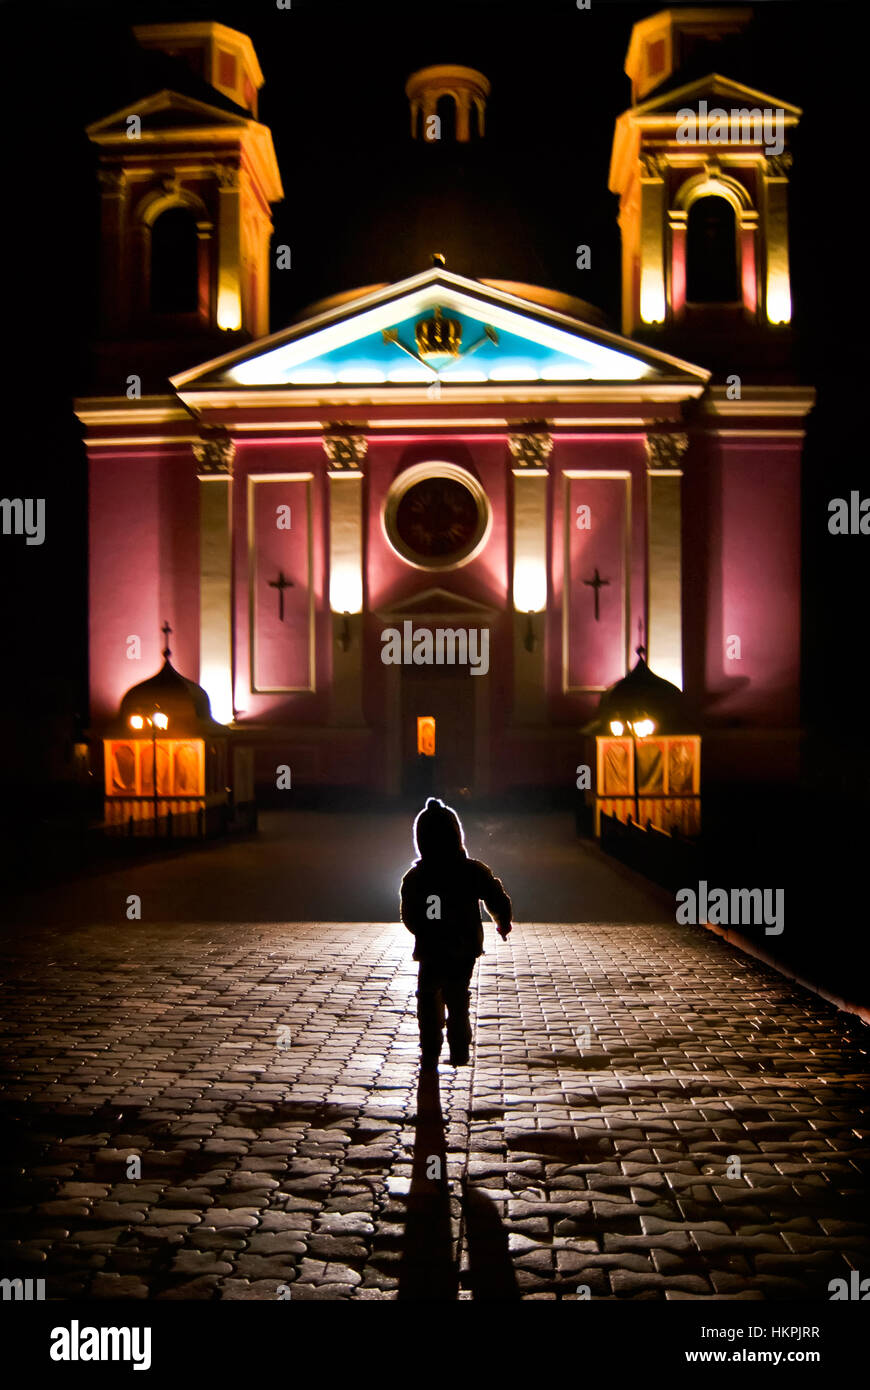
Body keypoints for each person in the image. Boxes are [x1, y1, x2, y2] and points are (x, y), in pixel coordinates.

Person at [400, 797, 513, 1071]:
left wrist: (423, 931)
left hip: (430, 948)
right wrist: (502, 922)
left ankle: (430, 1047)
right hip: (464, 947)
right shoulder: (472, 870)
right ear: (456, 835)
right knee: (458, 996)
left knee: (428, 995)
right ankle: (460, 1048)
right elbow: (495, 897)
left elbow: (410, 915)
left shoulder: (416, 877)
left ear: (421, 839)